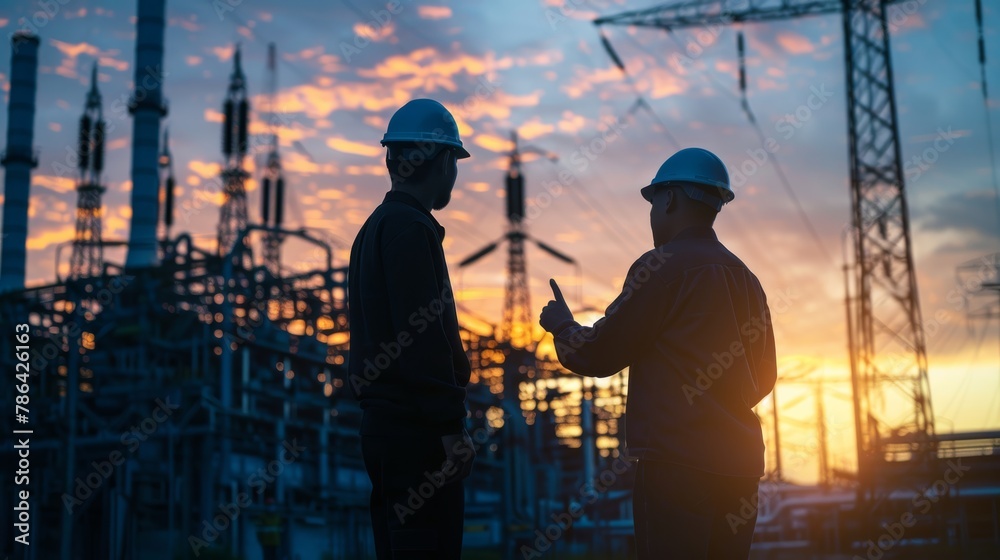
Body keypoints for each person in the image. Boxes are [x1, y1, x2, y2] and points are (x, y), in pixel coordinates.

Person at [539, 147, 777, 559]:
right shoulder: (747, 279)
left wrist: (562, 325)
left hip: (676, 468)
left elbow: (598, 354)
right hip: (740, 468)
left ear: (670, 199)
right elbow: (766, 376)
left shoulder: (662, 267)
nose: (652, 215)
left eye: (653, 203)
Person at [348, 98, 476, 560]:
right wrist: (449, 427)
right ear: (441, 161)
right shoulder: (410, 229)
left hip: (384, 430)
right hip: (417, 433)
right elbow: (423, 341)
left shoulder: (375, 228)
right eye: (455, 162)